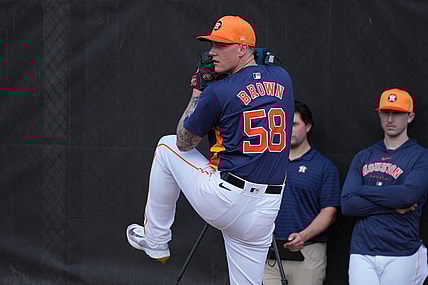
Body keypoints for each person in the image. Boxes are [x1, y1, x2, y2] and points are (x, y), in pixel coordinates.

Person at [126, 15, 295, 284]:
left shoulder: (218, 91)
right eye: (212, 44)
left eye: (221, 45)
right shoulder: (283, 79)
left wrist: (197, 91)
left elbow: (185, 142)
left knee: (167, 145)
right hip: (267, 210)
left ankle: (156, 240)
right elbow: (264, 62)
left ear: (242, 49)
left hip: (226, 200)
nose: (211, 52)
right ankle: (155, 239)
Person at [341, 88, 428, 285]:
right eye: (385, 112)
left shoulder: (421, 156)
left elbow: (407, 197)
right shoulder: (363, 156)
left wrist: (362, 190)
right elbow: (348, 205)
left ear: (410, 116)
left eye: (397, 113)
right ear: (379, 114)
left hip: (401, 250)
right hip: (362, 250)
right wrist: (392, 204)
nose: (390, 119)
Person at [263, 101, 341, 285]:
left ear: (308, 126)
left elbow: (329, 212)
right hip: (270, 254)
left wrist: (303, 236)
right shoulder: (267, 164)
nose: (288, 130)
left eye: (294, 124)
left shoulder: (323, 167)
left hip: (307, 252)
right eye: (284, 124)